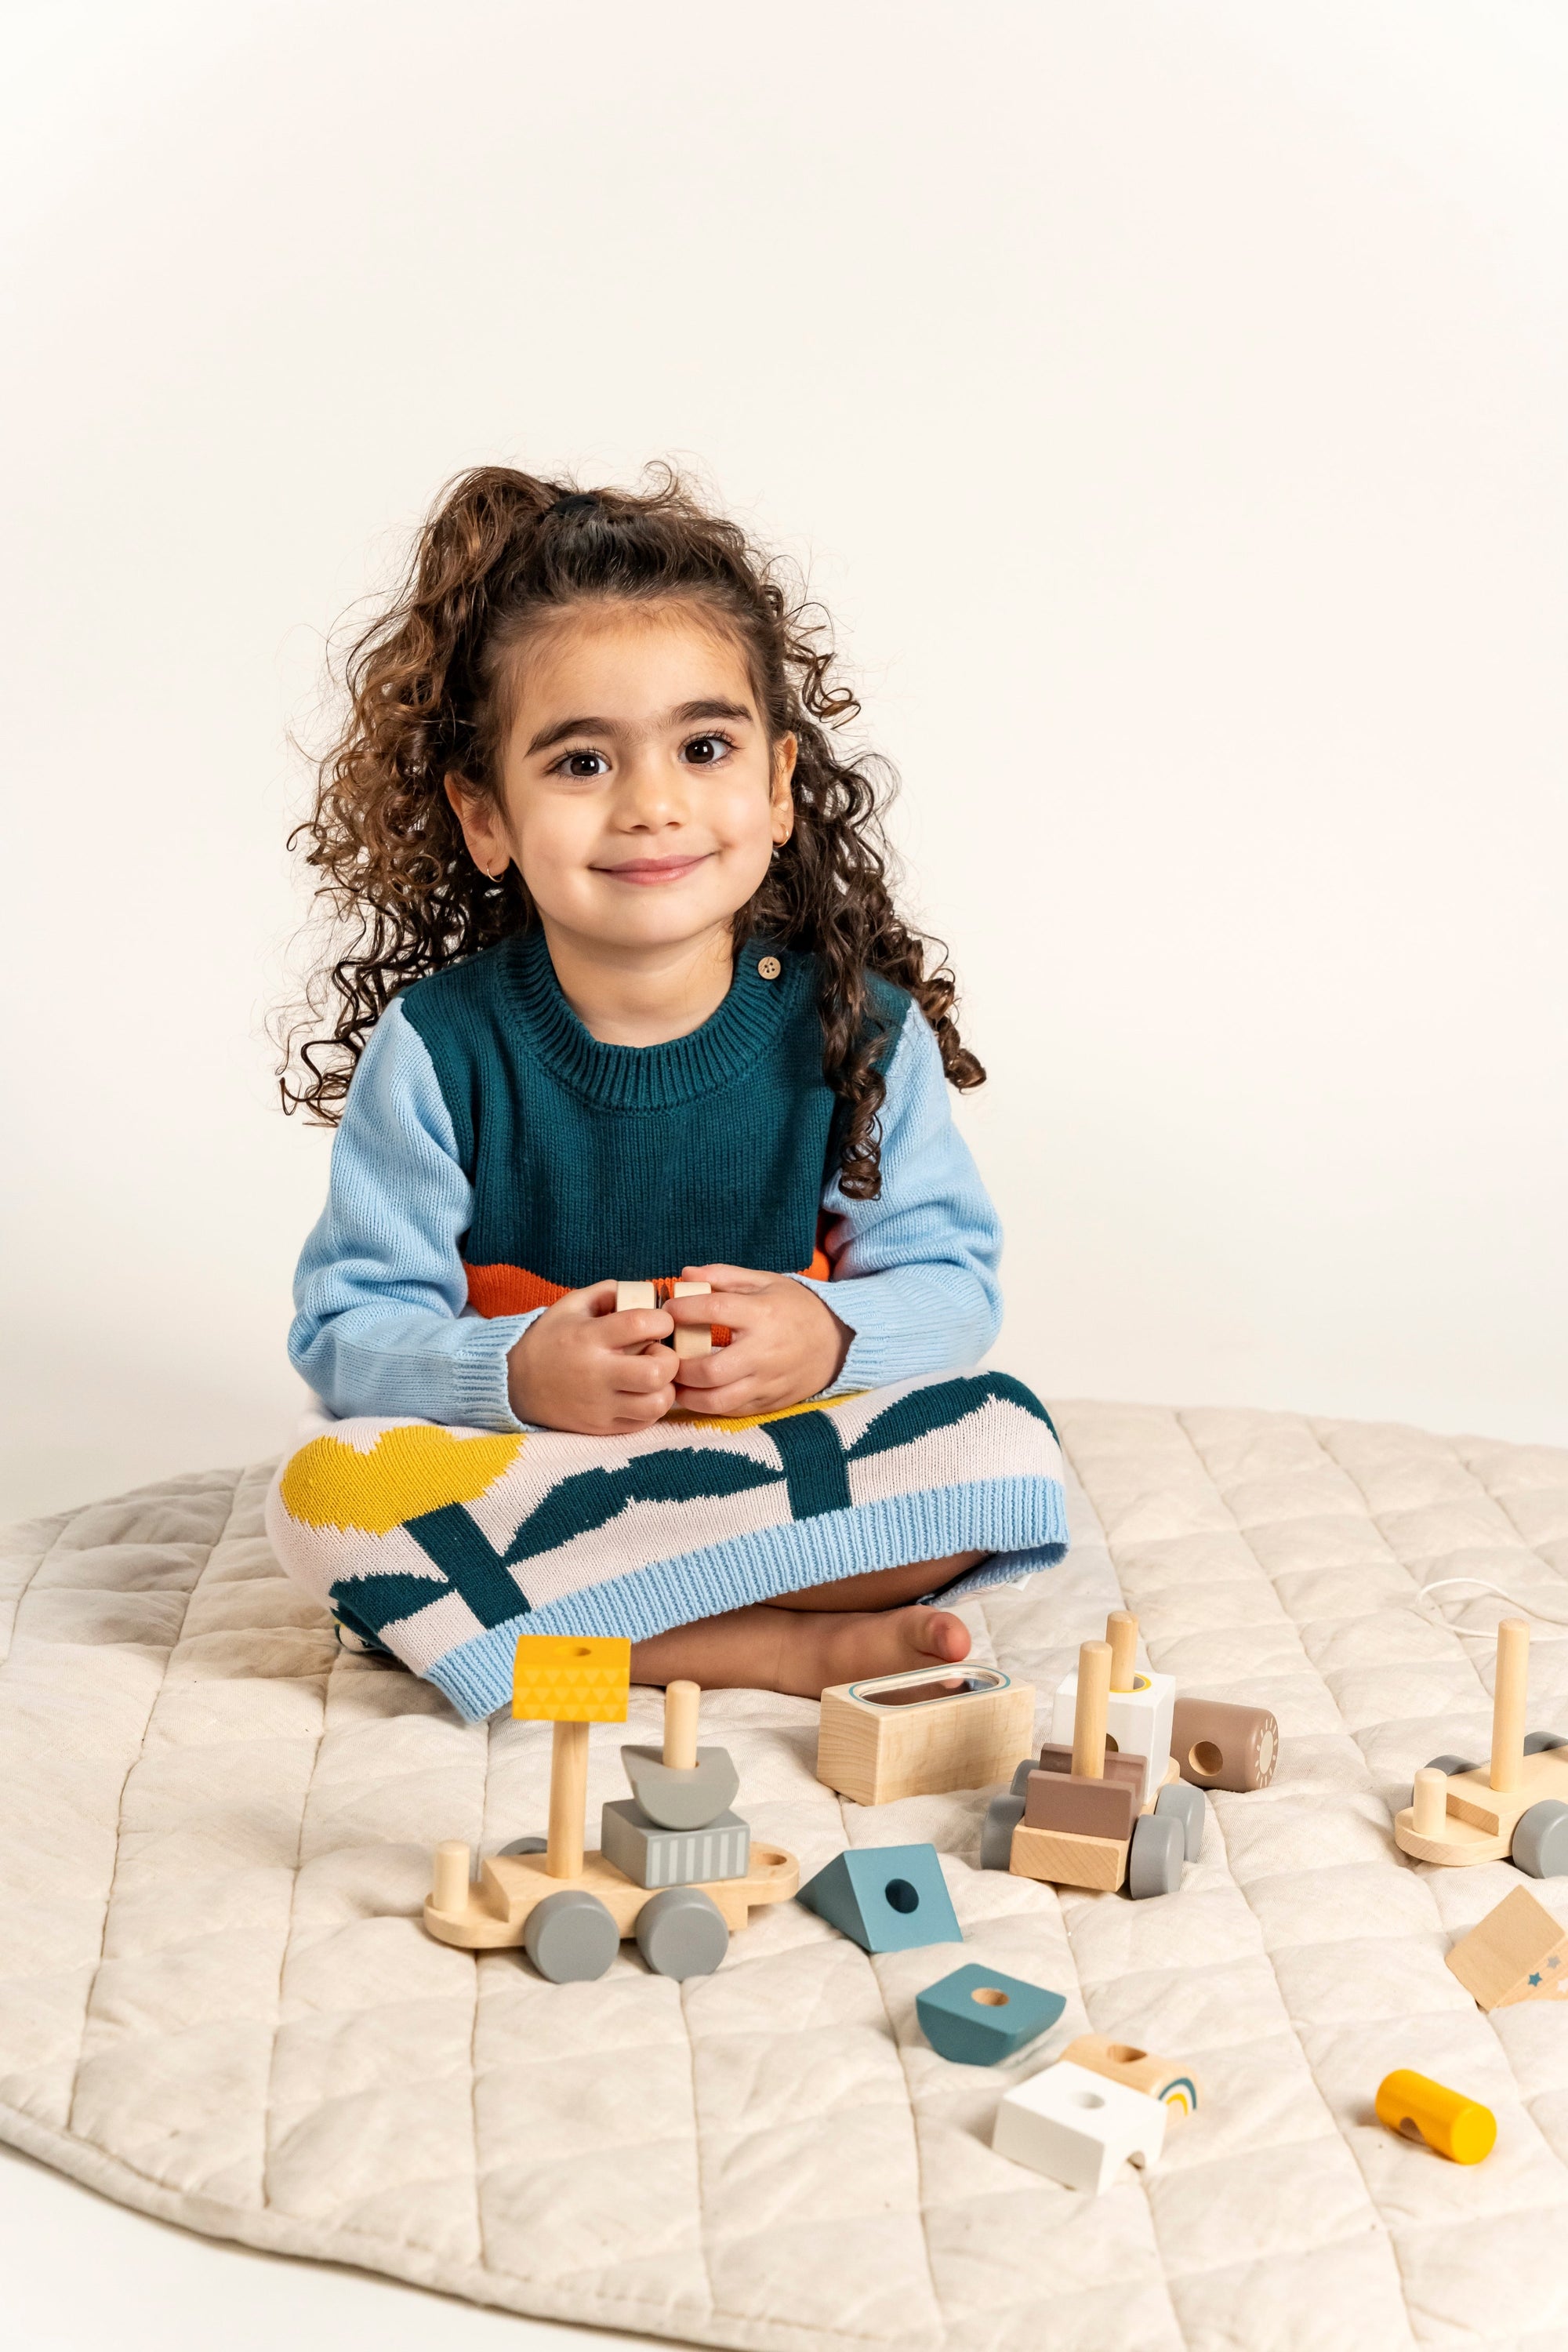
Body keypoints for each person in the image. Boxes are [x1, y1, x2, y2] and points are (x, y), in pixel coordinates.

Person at [265, 468, 1066, 1722]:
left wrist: (829, 1335)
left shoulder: (858, 1033)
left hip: (759, 1460)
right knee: (320, 1495)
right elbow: (349, 1331)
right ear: (487, 817)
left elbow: (952, 1290)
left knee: (1006, 1440)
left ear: (779, 782)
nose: (653, 804)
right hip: (537, 1473)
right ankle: (770, 1645)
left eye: (705, 747)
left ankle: (575, 1629)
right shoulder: (439, 1048)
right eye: (582, 760)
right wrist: (520, 1373)